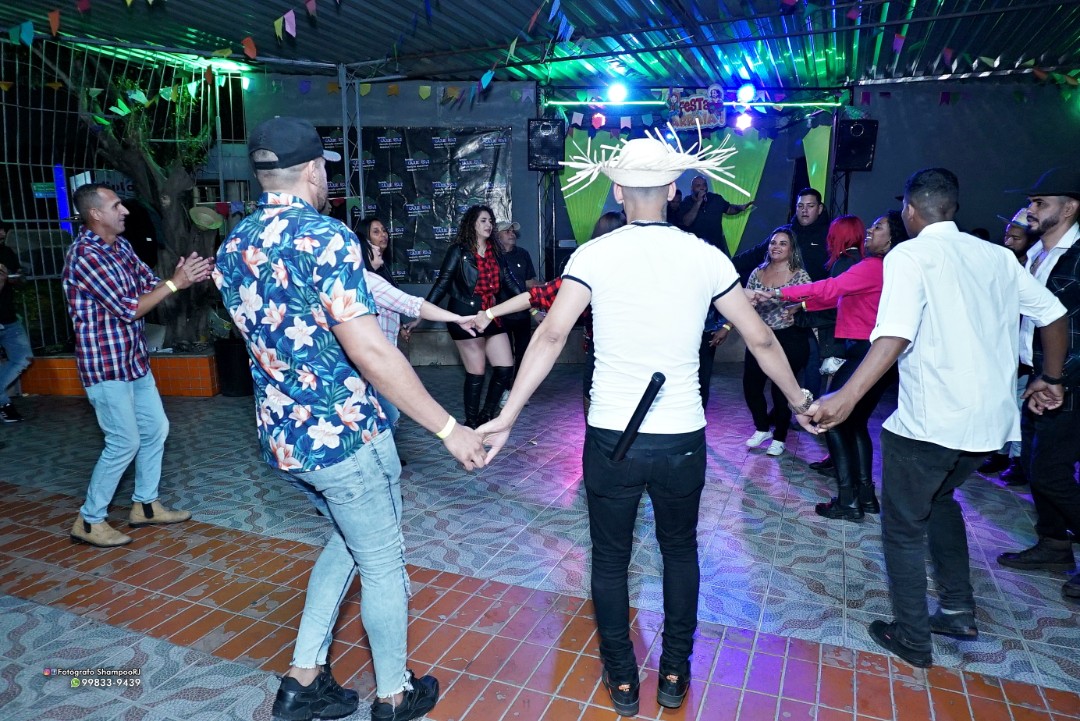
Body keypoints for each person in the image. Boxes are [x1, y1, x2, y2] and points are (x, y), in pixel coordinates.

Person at [479, 135, 815, 716]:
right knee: (679, 552)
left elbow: (552, 334)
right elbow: (761, 338)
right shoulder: (706, 257)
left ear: (617, 190)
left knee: (610, 559)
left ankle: (622, 678)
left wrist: (508, 417)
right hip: (682, 437)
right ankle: (676, 672)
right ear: (673, 190)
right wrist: (800, 400)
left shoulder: (594, 256)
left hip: (612, 437)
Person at [214, 116, 487, 721]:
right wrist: (449, 429)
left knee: (347, 542)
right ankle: (393, 695)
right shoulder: (326, 236)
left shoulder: (232, 246)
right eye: (325, 169)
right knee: (383, 562)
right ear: (314, 170)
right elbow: (370, 351)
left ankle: (303, 679)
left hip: (285, 440)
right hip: (344, 437)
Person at [810, 168, 1067, 669]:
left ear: (911, 211)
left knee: (903, 526)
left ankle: (911, 637)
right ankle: (956, 608)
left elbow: (895, 333)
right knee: (940, 500)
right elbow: (1054, 315)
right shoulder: (997, 256)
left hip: (932, 424)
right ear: (951, 207)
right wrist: (1051, 378)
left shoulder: (909, 255)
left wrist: (845, 397)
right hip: (990, 425)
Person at [61, 183, 210, 548]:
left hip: (134, 361)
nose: (125, 210)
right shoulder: (86, 256)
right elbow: (130, 308)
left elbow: (149, 285)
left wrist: (180, 278)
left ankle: (145, 505)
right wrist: (173, 284)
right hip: (105, 366)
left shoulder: (120, 246)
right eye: (116, 206)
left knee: (156, 429)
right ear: (95, 214)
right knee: (123, 441)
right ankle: (89, 520)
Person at [773, 211, 909, 520]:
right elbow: (836, 297)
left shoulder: (873, 266)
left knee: (830, 417)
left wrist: (777, 292)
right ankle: (866, 496)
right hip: (878, 354)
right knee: (855, 424)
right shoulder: (890, 267)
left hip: (865, 352)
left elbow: (830, 288)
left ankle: (848, 499)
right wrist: (801, 304)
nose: (869, 231)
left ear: (893, 238)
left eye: (878, 227)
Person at [996, 169, 1080, 586]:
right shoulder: (1035, 254)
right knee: (1032, 463)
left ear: (1069, 208)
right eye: (1030, 202)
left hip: (1068, 382)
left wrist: (1056, 377)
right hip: (1039, 376)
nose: (1030, 210)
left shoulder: (1078, 256)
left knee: (1050, 470)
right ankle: (1054, 543)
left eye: (1040, 203)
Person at [363, 238, 478, 429]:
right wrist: (458, 318)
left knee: (386, 417)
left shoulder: (365, 280)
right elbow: (412, 304)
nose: (377, 246)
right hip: (376, 364)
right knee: (389, 416)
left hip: (374, 364)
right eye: (370, 245)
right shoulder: (369, 280)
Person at [426, 205, 524, 427]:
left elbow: (509, 282)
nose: (489, 225)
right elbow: (442, 284)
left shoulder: (495, 251)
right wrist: (420, 313)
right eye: (483, 220)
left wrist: (532, 304)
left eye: (490, 221)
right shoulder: (458, 251)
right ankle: (471, 423)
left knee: (505, 368)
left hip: (489, 314)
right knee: (477, 371)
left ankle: (486, 415)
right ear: (472, 224)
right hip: (465, 316)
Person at [734, 188, 832, 398]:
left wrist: (812, 302)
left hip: (813, 310)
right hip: (781, 317)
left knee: (811, 363)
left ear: (819, 208)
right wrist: (722, 266)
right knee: (764, 376)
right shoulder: (785, 233)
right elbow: (754, 254)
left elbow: (833, 280)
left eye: (810, 206)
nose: (804, 210)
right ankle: (783, 410)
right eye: (800, 206)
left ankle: (808, 409)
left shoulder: (828, 235)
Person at [979, 208, 1041, 480]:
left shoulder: (1035, 268)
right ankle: (1000, 453)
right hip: (1000, 344)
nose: (1008, 242)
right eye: (1006, 236)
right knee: (1000, 403)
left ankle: (1018, 460)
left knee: (1018, 404)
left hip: (1024, 349)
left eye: (1015, 238)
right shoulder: (1002, 264)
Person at [742, 227, 812, 457]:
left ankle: (780, 437)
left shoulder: (799, 275)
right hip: (760, 336)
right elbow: (745, 302)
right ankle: (762, 428)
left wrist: (798, 306)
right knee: (751, 386)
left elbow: (812, 300)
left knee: (781, 390)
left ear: (791, 249)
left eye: (783, 243)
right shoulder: (757, 272)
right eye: (773, 242)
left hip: (789, 337)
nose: (776, 247)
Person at [494, 219, 538, 393]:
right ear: (497, 236)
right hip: (500, 315)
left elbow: (529, 283)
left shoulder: (523, 254)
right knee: (503, 356)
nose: (511, 234)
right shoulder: (493, 257)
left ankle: (518, 390)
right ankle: (504, 391)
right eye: (507, 231)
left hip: (522, 314)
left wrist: (551, 288)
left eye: (513, 231)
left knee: (523, 353)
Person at [0, 219, 32, 422]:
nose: (3, 234)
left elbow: (19, 280)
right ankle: (4, 404)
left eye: (4, 229)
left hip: (8, 316)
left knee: (23, 357)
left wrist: (16, 277)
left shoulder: (6, 252)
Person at [677, 175, 753, 254]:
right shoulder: (686, 203)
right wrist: (698, 202)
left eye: (704, 185)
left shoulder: (716, 199)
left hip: (717, 249)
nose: (702, 188)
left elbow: (729, 209)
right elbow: (687, 222)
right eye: (698, 186)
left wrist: (739, 208)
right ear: (692, 188)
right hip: (697, 251)